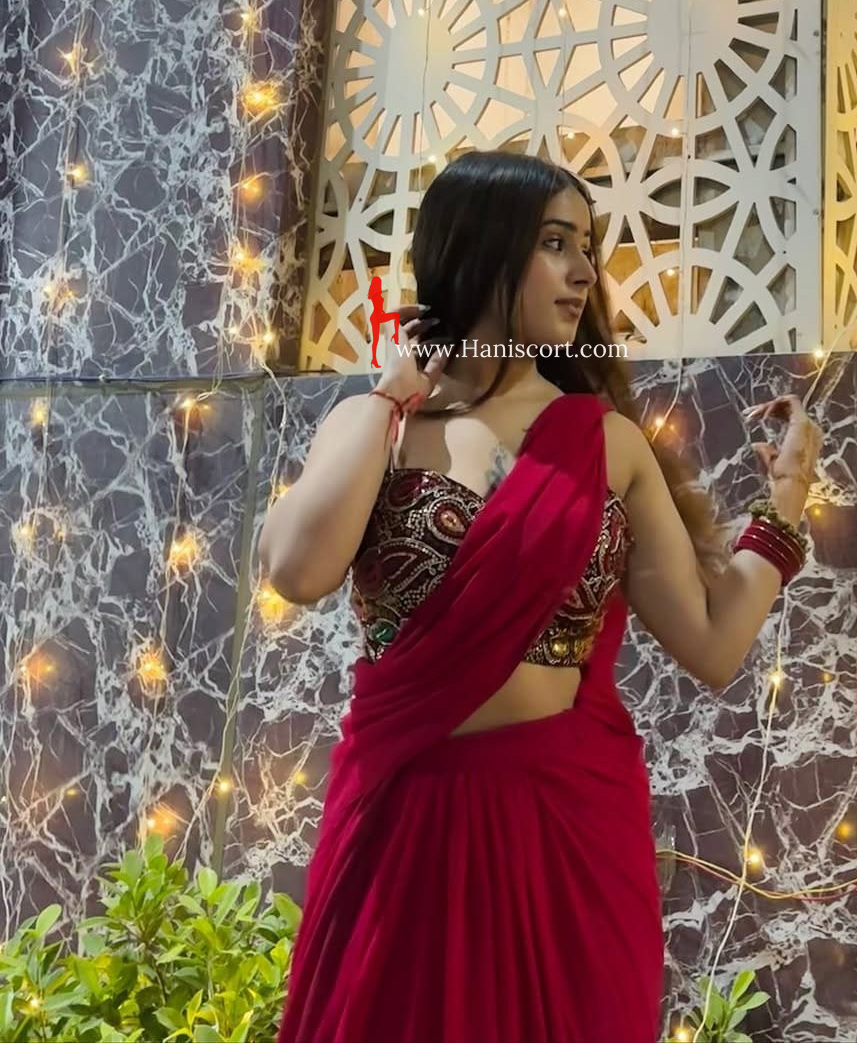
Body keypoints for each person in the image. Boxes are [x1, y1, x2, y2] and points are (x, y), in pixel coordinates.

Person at [260, 148, 822, 1043]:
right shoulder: (381, 427)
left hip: (567, 836)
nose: (585, 272)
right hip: (403, 831)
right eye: (556, 243)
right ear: (479, 247)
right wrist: (390, 395)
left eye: (587, 247)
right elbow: (295, 570)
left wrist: (783, 508)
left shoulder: (606, 442)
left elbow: (713, 643)